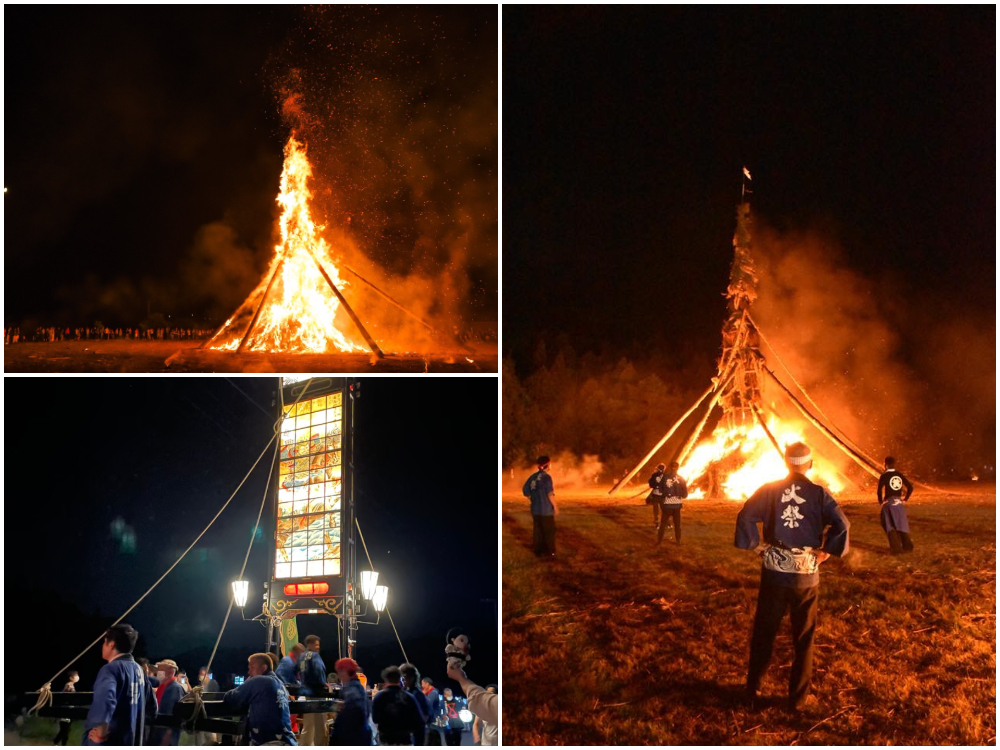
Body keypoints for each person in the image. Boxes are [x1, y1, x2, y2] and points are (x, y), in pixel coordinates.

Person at [734, 441, 850, 712]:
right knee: (804, 636)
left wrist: (758, 546)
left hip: (775, 571)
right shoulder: (819, 493)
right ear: (809, 464)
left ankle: (753, 690)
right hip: (806, 576)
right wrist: (827, 552)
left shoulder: (769, 490)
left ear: (786, 463)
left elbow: (745, 516)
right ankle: (798, 699)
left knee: (765, 631)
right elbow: (842, 523)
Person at [82, 624, 157, 746]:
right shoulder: (140, 671)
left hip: (112, 740)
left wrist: (101, 731)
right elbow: (152, 707)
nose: (102, 646)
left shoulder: (111, 669)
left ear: (111, 644)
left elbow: (106, 700)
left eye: (104, 642)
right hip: (133, 740)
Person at [219, 653, 296, 746]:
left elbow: (230, 697)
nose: (249, 672)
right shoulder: (280, 684)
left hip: (270, 743)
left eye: (251, 668)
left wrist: (248, 682)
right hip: (288, 742)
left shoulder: (259, 681)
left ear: (263, 668)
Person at [371, 666, 425, 745]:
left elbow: (375, 719)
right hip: (405, 741)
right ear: (400, 678)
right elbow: (419, 722)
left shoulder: (379, 696)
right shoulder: (409, 697)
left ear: (385, 679)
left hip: (386, 741)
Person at [330, 658, 372, 746]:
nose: (338, 676)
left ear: (345, 671)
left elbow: (355, 711)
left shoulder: (352, 689)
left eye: (339, 672)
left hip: (353, 738)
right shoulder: (357, 687)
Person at [877, 456, 915, 553]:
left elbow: (879, 491)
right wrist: (904, 500)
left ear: (885, 464)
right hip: (899, 504)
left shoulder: (884, 475)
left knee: (889, 525)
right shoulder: (899, 474)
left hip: (889, 504)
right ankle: (908, 546)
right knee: (901, 524)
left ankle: (896, 548)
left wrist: (881, 502)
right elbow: (910, 487)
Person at [296, 635, 328, 746]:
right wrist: (324, 684)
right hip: (318, 692)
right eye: (315, 644)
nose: (317, 647)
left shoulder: (302, 656)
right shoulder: (315, 656)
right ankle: (321, 745)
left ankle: (305, 744)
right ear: (308, 645)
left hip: (306, 691)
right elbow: (318, 669)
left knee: (309, 721)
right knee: (320, 722)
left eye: (318, 645)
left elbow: (297, 671)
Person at [522, 455, 557, 557]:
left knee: (537, 531)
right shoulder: (547, 477)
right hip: (546, 510)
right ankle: (550, 551)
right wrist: (555, 506)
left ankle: (538, 550)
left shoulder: (532, 477)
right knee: (549, 531)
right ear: (547, 465)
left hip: (535, 509)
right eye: (550, 464)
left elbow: (525, 490)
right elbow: (550, 494)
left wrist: (533, 498)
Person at [151, 659, 186, 745]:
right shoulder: (163, 687)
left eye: (161, 669)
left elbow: (171, 716)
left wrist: (167, 737)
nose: (158, 672)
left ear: (170, 671)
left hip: (165, 737)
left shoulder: (174, 688)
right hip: (157, 733)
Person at [657, 461, 688, 545]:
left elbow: (660, 490)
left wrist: (667, 494)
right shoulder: (681, 479)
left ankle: (659, 541)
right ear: (678, 468)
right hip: (677, 506)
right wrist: (678, 494)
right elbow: (685, 494)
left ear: (670, 467)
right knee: (677, 525)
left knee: (663, 524)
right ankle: (678, 541)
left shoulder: (665, 477)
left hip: (667, 505)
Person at [398, 664, 429, 744]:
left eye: (405, 678)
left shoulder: (417, 694)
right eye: (402, 678)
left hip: (415, 731)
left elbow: (425, 714)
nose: (403, 681)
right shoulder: (405, 692)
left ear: (412, 678)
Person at [53, 670, 79, 745]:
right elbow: (72, 697)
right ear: (71, 677)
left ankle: (56, 743)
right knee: (65, 730)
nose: (77, 677)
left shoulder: (70, 685)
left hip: (68, 710)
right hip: (66, 710)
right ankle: (60, 743)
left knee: (65, 730)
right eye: (76, 675)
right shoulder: (69, 685)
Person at [421, 677, 446, 746]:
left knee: (433, 740)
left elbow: (428, 704)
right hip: (432, 719)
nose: (422, 686)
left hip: (433, 720)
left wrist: (423, 694)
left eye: (423, 684)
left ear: (427, 684)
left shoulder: (433, 693)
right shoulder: (431, 692)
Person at [646, 462, 668, 528]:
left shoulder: (663, 475)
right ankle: (659, 522)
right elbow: (650, 483)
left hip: (659, 495)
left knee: (659, 509)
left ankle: (660, 522)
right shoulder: (661, 475)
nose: (661, 470)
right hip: (659, 495)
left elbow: (650, 483)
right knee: (661, 509)